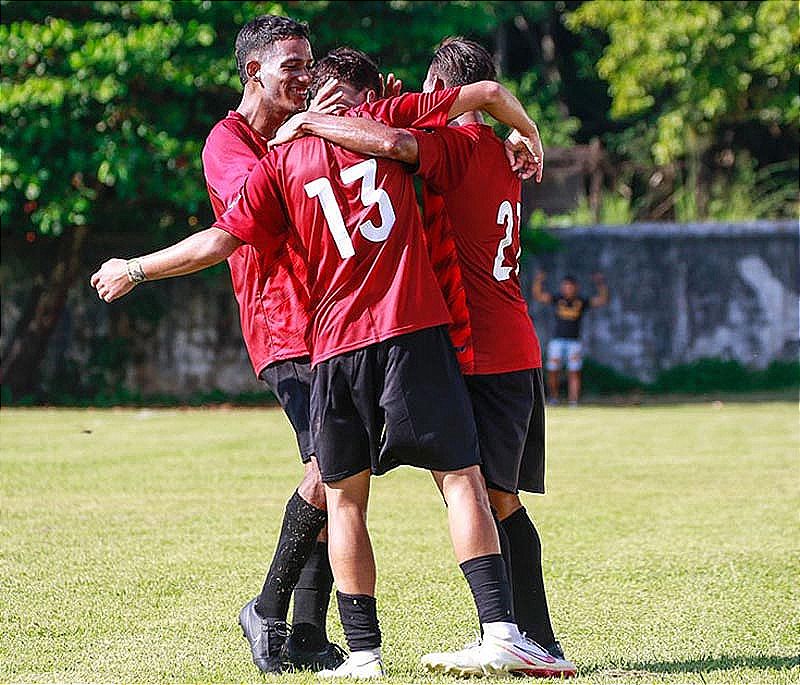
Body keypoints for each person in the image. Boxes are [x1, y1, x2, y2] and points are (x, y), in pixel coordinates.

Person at [90, 56, 574, 680]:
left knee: (344, 498)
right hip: (413, 333)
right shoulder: (380, 120)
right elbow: (473, 98)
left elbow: (218, 240)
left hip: (335, 344)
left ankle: (365, 654)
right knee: (462, 480)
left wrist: (136, 268)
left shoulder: (284, 156)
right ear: (371, 91)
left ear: (318, 93)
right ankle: (503, 630)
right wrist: (528, 135)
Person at [283, 40, 574, 675]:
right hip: (513, 343)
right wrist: (526, 132)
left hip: (479, 350)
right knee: (493, 494)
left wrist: (309, 121)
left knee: (487, 495)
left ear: (443, 87)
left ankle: (526, 638)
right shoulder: (501, 153)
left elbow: (395, 144)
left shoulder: (456, 148)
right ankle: (526, 637)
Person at [200, 15, 345, 673]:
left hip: (338, 323)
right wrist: (301, 135)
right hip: (284, 330)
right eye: (293, 64)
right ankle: (267, 607)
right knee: (330, 468)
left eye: (310, 64)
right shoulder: (227, 143)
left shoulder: (301, 134)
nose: (307, 76)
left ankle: (309, 635)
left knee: (345, 473)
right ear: (253, 69)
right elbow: (255, 216)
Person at [532, 271, 609, 406]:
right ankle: (553, 398)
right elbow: (539, 296)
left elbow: (602, 300)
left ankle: (573, 401)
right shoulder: (557, 299)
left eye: (570, 286)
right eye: (565, 286)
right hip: (557, 341)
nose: (567, 289)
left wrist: (600, 284)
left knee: (574, 372)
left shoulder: (581, 301)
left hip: (574, 342)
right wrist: (538, 281)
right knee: (552, 370)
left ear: (576, 287)